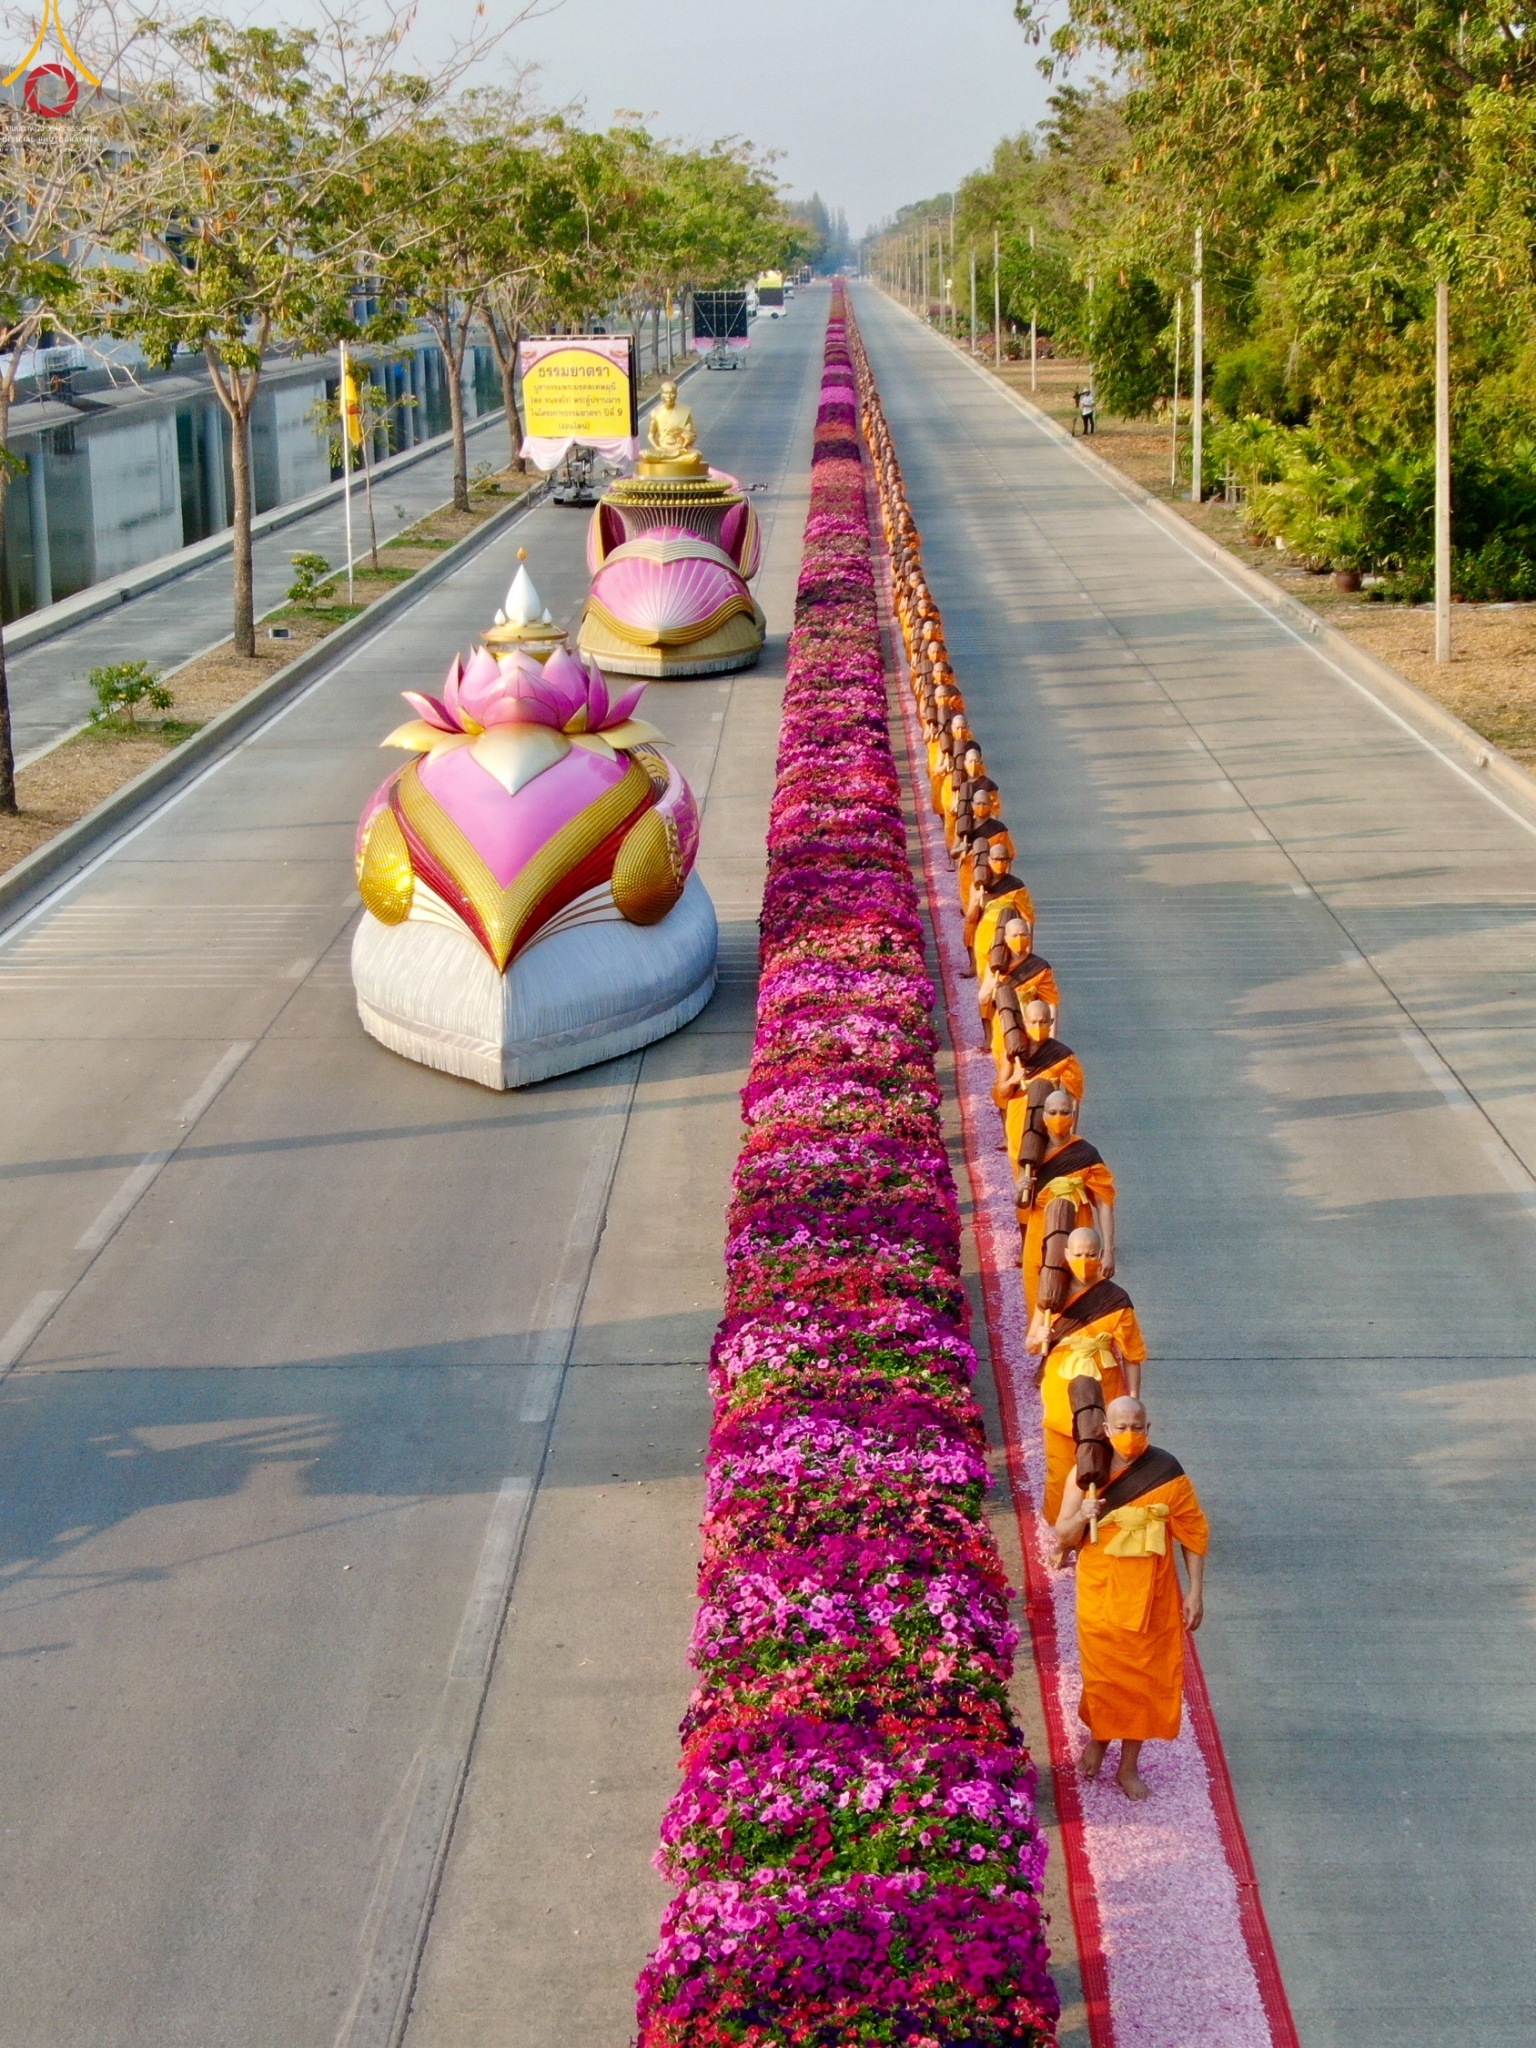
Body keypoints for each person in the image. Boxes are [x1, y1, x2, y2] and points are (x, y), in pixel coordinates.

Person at [1055, 1396, 1208, 1799]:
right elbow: (1063, 1535)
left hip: (1152, 1595)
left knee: (1144, 1679)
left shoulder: (1166, 1471)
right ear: (1107, 1430)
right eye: (1121, 1427)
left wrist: (1195, 1590)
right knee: (1105, 1675)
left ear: (1148, 1428)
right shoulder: (1087, 1471)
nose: (1129, 1434)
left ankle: (1128, 1766)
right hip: (1102, 1592)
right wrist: (1083, 1514)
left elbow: (1194, 1533)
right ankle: (1099, 1739)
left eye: (1137, 1427)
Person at [1026, 1226, 1146, 1523]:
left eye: (1091, 1255)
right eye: (1078, 1255)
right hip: (1060, 1392)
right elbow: (1031, 1345)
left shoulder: (1115, 1299)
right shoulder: (1053, 1294)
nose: (1084, 1261)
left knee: (1099, 1463)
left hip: (1104, 1391)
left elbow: (1132, 1355)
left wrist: (1133, 1399)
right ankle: (1059, 1527)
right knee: (1060, 1465)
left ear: (1100, 1255)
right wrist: (1039, 1336)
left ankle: (1098, 1524)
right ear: (1067, 1255)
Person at [1017, 1088, 1116, 1309]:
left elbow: (1104, 1203)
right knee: (1039, 1306)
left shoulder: (1086, 1154)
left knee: (1078, 1306)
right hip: (1039, 1239)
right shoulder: (1033, 1155)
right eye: (1053, 1113)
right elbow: (1023, 1203)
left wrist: (1108, 1251)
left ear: (1072, 1116)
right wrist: (1020, 1190)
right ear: (1044, 1116)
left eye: (1064, 1112)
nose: (1058, 1118)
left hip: (1078, 1242)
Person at [998, 998, 1085, 1137]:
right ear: (1025, 1023)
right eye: (1033, 1022)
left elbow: (1073, 1099)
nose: (1038, 1027)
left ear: (1051, 1022)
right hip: (1018, 1118)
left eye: (1043, 1022)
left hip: (1048, 1119)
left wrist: (1070, 1135)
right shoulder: (1013, 1052)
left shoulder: (1063, 1056)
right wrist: (1012, 1081)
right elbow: (1001, 1092)